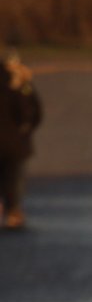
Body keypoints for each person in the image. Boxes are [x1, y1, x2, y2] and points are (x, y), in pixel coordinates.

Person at [1, 49, 42, 233]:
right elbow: (30, 114)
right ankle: (13, 212)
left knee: (12, 177)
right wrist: (23, 86)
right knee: (14, 179)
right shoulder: (20, 85)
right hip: (15, 144)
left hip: (15, 143)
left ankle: (11, 212)